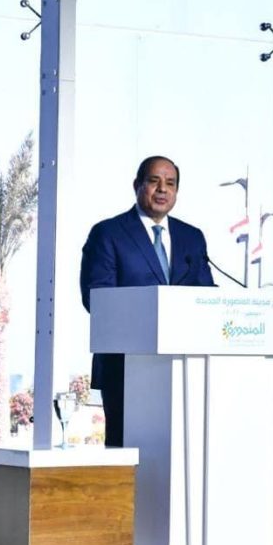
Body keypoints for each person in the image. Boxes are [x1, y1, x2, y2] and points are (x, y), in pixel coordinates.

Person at [80, 155, 215, 447]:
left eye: (171, 183)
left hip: (186, 367)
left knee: (182, 450)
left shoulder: (192, 237)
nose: (163, 189)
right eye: (154, 181)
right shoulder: (108, 233)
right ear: (137, 185)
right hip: (125, 368)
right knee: (126, 452)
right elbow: (96, 298)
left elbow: (206, 296)